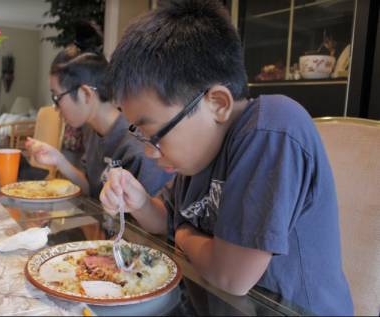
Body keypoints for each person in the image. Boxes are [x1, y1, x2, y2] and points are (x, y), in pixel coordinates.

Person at [99, 1, 353, 315]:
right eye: (140, 135)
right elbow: (165, 217)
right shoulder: (199, 153)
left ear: (217, 103)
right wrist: (136, 201)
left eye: (155, 135)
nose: (149, 152)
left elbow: (232, 277)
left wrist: (181, 233)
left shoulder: (271, 129)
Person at [26, 20, 174, 199]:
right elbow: (92, 189)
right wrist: (59, 160)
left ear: (86, 94)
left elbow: (150, 218)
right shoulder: (92, 131)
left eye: (57, 97)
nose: (56, 108)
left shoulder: (136, 141)